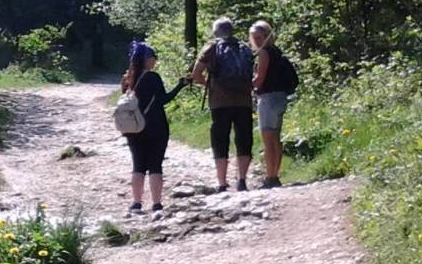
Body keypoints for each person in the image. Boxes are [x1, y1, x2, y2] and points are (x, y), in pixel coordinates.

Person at [119, 40, 189, 214]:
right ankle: (156, 204)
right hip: (156, 127)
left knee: (138, 165)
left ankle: (136, 203)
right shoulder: (153, 77)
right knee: (155, 166)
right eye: (153, 57)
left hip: (133, 128)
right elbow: (163, 99)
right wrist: (180, 85)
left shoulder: (127, 78)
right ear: (146, 59)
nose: (155, 60)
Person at [191, 17, 255, 193]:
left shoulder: (211, 47)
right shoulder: (244, 47)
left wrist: (210, 85)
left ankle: (222, 182)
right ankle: (242, 180)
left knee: (220, 140)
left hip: (220, 102)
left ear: (215, 32)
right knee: (244, 139)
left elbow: (196, 74)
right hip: (243, 101)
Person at [249, 19, 297, 189]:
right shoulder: (277, 52)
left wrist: (242, 85)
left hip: (268, 99)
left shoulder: (263, 54)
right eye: (254, 38)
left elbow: (259, 80)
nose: (256, 41)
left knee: (268, 140)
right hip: (280, 98)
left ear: (267, 37)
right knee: (275, 138)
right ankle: (274, 175)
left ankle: (270, 177)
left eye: (259, 37)